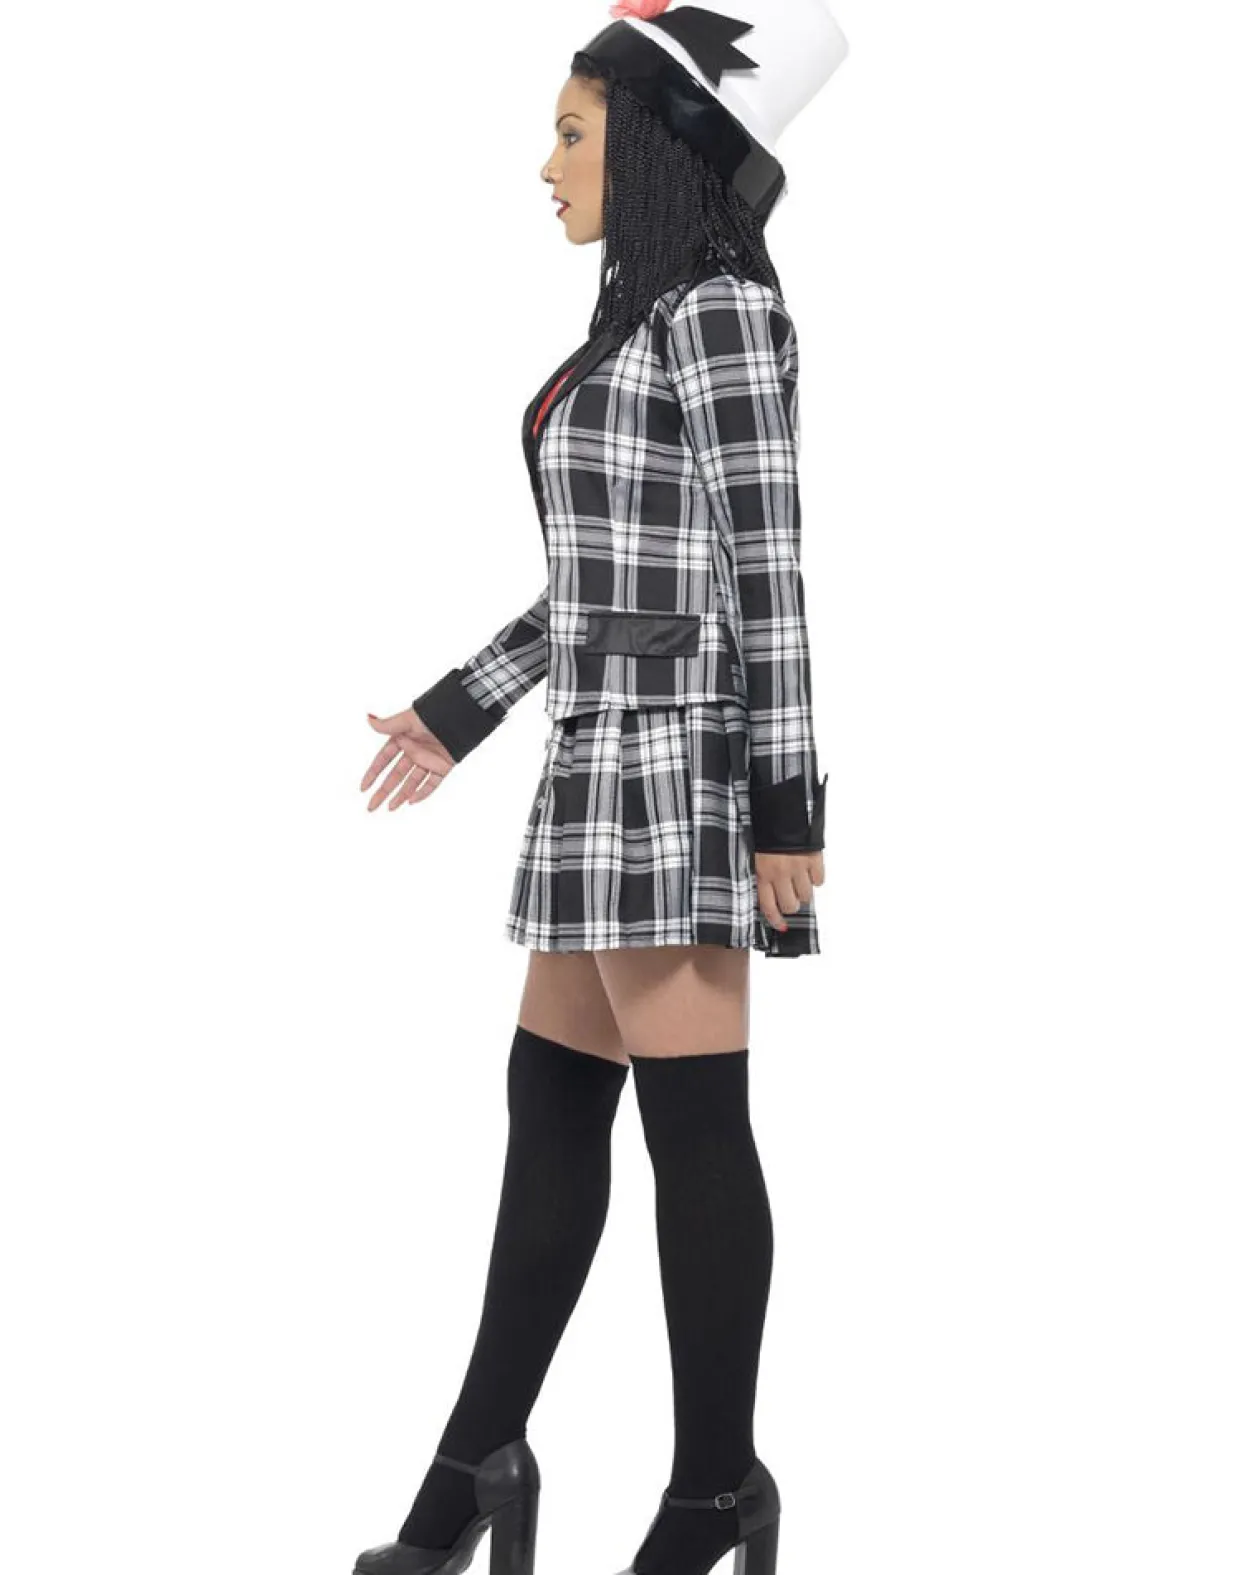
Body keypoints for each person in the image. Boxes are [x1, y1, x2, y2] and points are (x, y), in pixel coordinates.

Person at [356, 3, 848, 1572]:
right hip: (595, 759)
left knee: (694, 1126)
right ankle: (477, 1465)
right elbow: (595, 589)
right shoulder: (632, 327)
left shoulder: (719, 312)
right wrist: (459, 710)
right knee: (552, 1103)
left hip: (679, 766)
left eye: (572, 133)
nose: (546, 164)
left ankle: (712, 1485)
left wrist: (787, 800)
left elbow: (767, 565)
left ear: (651, 148)